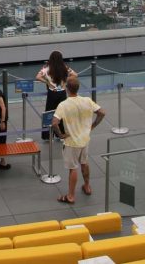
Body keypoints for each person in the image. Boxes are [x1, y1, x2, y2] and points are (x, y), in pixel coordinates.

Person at [52, 76, 105, 204]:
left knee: (73, 168)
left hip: (72, 142)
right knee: (84, 162)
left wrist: (60, 135)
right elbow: (102, 112)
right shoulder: (87, 100)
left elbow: (54, 123)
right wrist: (92, 126)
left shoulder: (63, 105)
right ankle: (87, 186)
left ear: (66, 89)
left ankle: (70, 196)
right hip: (85, 139)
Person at [36, 50, 75, 140]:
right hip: (62, 93)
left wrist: (47, 82)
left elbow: (37, 77)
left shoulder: (46, 68)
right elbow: (75, 75)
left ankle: (47, 136)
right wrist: (65, 81)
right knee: (61, 113)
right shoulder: (65, 67)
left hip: (52, 93)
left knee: (49, 113)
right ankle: (60, 134)